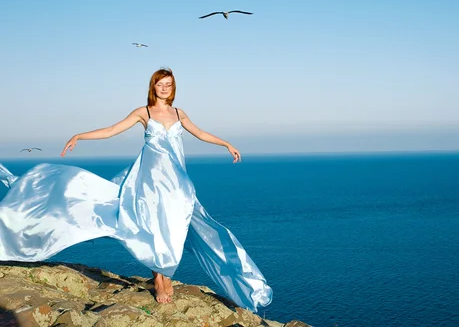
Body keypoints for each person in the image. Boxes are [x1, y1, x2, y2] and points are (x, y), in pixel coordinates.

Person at [0, 68, 272, 310]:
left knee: (175, 226)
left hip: (177, 182)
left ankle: (165, 273)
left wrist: (226, 144)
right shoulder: (144, 112)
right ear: (153, 86)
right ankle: (160, 278)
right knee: (151, 225)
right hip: (149, 181)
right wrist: (80, 135)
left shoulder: (179, 113)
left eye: (168, 84)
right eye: (159, 84)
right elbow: (112, 130)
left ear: (173, 87)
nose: (164, 88)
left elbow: (200, 133)